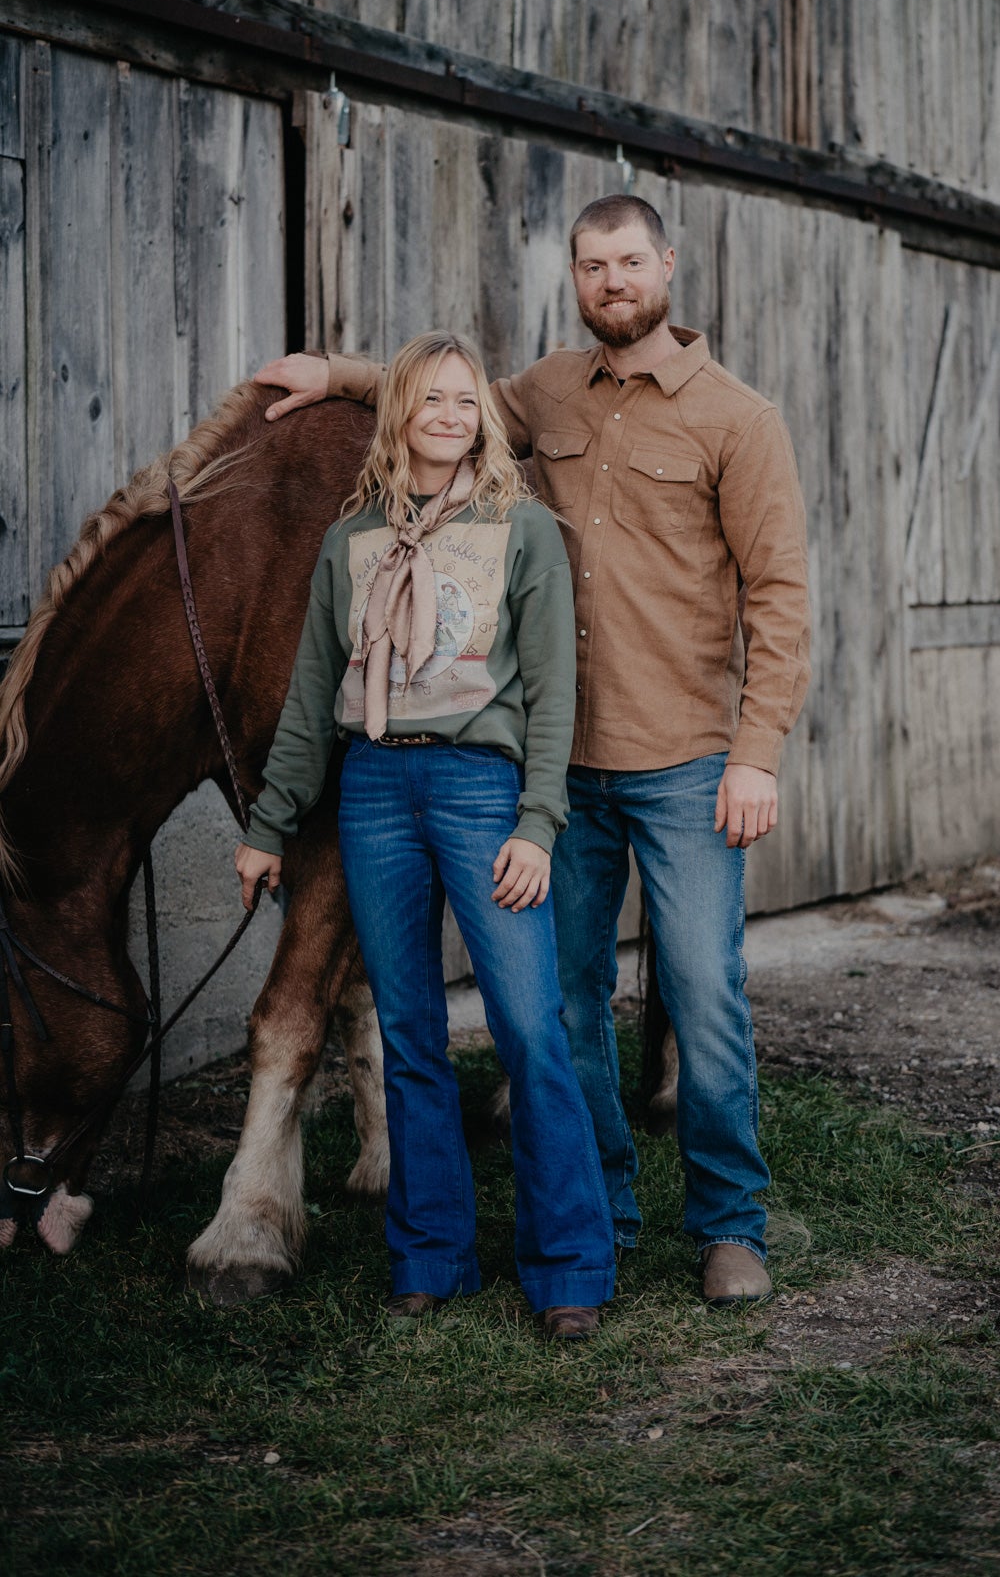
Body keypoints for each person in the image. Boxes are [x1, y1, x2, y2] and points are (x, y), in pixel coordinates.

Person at [253, 196, 811, 1308]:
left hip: (684, 758)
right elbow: (439, 402)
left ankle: (729, 1224)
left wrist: (758, 752)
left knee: (703, 994)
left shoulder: (739, 420)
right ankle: (599, 1211)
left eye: (631, 263)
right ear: (576, 275)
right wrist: (336, 373)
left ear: (667, 267)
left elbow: (783, 597)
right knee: (562, 1005)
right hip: (548, 777)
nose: (612, 282)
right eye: (593, 265)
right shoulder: (545, 394)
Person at [235, 331, 615, 1342]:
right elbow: (314, 697)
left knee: (530, 1030)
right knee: (410, 1034)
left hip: (479, 790)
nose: (449, 416)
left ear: (483, 419)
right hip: (372, 792)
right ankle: (432, 1254)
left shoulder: (521, 531)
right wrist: (271, 826)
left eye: (464, 402)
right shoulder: (350, 540)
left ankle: (570, 1262)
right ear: (399, 411)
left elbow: (552, 693)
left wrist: (538, 823)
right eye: (429, 400)